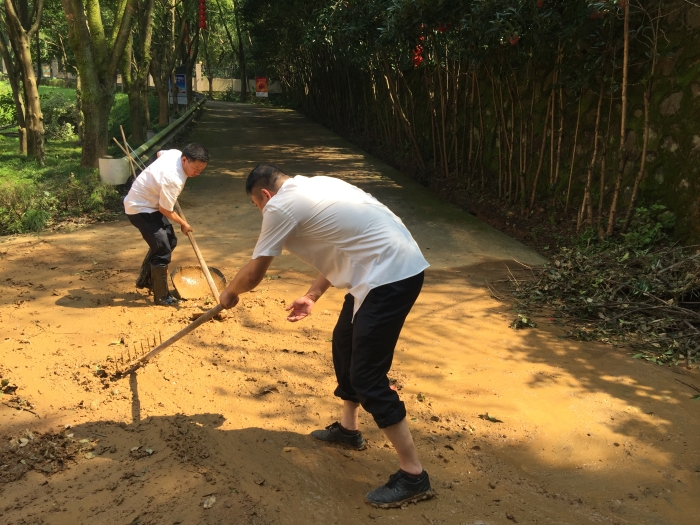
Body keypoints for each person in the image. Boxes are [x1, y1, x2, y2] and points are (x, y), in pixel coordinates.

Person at [219, 164, 433, 508]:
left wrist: (229, 292)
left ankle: (413, 475)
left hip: (390, 276)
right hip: (376, 271)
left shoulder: (279, 207)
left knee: (367, 376)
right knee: (344, 345)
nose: (261, 212)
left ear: (265, 195)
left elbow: (255, 273)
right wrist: (312, 295)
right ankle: (349, 430)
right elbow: (340, 249)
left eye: (257, 206)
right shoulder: (317, 185)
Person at [124, 143, 209, 305]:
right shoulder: (173, 180)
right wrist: (183, 223)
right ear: (184, 160)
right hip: (139, 209)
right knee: (162, 249)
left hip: (151, 205)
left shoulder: (174, 153)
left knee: (170, 240)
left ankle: (145, 279)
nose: (197, 173)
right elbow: (165, 210)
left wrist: (156, 181)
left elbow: (159, 154)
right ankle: (162, 296)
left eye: (201, 169)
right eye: (196, 168)